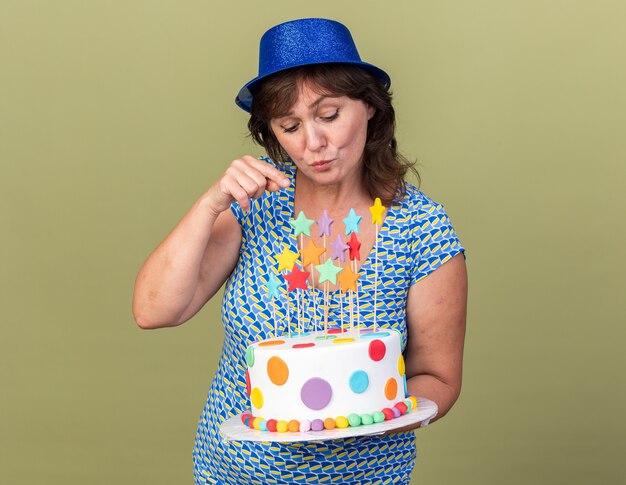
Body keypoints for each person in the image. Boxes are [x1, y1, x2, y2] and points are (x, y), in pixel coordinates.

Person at [133, 18, 467, 485]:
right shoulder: (257, 203)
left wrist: (353, 413)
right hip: (231, 473)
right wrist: (209, 205)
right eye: (290, 126)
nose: (313, 144)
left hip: (364, 477)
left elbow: (440, 377)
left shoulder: (421, 229)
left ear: (369, 106)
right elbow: (153, 310)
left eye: (329, 115)